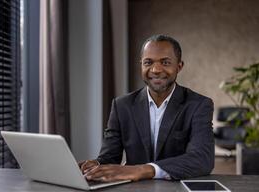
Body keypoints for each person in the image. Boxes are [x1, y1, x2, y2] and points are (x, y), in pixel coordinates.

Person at [79, 34, 214, 182]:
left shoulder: (199, 105)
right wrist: (96, 165)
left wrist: (143, 170)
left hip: (177, 191)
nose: (155, 69)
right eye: (148, 62)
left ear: (179, 66)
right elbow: (110, 157)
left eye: (165, 62)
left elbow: (202, 159)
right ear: (141, 65)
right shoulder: (122, 105)